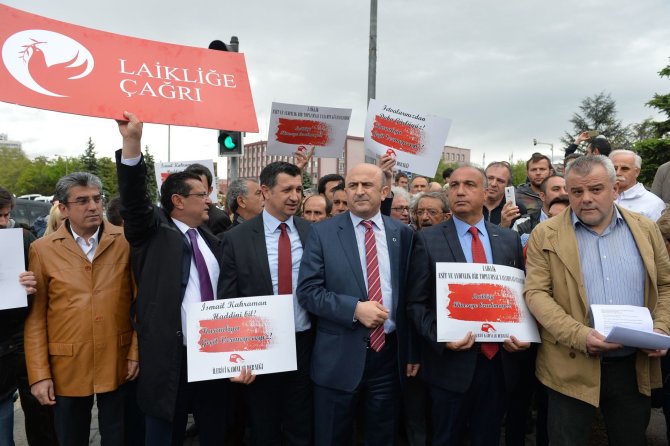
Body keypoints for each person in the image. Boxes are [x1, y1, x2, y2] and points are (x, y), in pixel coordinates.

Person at [524, 155, 670, 446]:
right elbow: (536, 293)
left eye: (596, 189)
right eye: (577, 192)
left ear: (615, 189)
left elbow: (665, 284)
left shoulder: (645, 229)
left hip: (632, 364)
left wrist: (662, 328)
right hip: (570, 364)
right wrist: (580, 335)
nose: (586, 199)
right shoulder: (545, 234)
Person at [116, 112, 228, 445]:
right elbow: (135, 202)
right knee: (165, 434)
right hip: (171, 360)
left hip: (214, 357)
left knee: (214, 431)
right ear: (177, 201)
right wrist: (132, 143)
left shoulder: (211, 239)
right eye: (201, 195)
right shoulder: (153, 233)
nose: (209, 200)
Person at [407, 165, 529, 445]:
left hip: (498, 362)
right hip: (450, 365)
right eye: (454, 185)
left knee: (487, 437)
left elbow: (520, 297)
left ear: (486, 192)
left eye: (469, 185)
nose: (460, 191)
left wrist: (523, 336)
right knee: (446, 437)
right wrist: (442, 337)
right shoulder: (427, 239)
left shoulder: (508, 239)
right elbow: (416, 303)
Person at [297, 163, 417, 445]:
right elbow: (308, 291)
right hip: (338, 359)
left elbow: (409, 297)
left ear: (384, 191)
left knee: (382, 436)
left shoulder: (403, 234)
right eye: (353, 186)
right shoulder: (323, 233)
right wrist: (354, 309)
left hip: (388, 358)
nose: (359, 192)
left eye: (367, 185)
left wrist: (412, 351)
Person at [24, 172, 138, 446]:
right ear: (62, 208)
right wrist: (39, 375)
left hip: (118, 360)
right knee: (70, 438)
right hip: (67, 366)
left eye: (97, 199)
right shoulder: (42, 250)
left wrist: (135, 351)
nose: (93, 206)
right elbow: (36, 318)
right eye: (82, 201)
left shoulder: (125, 241)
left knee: (119, 437)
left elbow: (140, 303)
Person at [219, 161, 314, 446]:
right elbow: (228, 299)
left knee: (302, 425)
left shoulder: (312, 233)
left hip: (306, 344)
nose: (295, 197)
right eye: (286, 189)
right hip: (260, 349)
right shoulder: (236, 239)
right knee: (265, 426)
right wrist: (237, 356)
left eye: (298, 189)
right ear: (265, 191)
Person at [0, 187, 57, 446]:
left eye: (7, 215)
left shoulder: (21, 239)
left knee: (38, 412)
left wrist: (31, 287)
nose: (3, 222)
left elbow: (41, 292)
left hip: (21, 339)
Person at [610, 150, 665, 221]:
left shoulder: (654, 204)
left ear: (637, 172)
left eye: (624, 168)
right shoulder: (600, 196)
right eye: (614, 168)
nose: (618, 173)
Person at [184, 163, 232, 236]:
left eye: (201, 188)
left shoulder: (218, 219)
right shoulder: (178, 215)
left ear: (210, 190)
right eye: (191, 187)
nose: (196, 190)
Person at [483, 161, 526, 227]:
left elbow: (520, 236)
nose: (493, 184)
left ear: (507, 185)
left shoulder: (516, 209)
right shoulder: (471, 205)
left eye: (500, 181)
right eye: (490, 178)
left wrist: (505, 227)